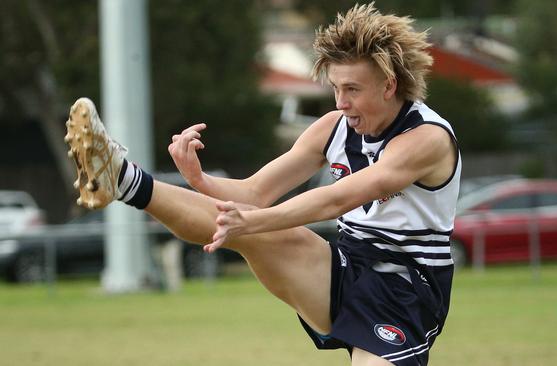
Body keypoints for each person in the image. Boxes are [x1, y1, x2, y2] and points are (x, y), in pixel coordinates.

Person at [65, 3, 461, 365]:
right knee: (261, 232)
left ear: (389, 85)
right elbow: (254, 193)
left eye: (352, 90)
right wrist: (197, 178)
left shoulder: (426, 138)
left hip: (406, 287)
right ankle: (120, 178)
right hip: (343, 267)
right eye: (336, 88)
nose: (340, 102)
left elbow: (337, 199)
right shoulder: (333, 129)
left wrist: (255, 221)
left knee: (259, 228)